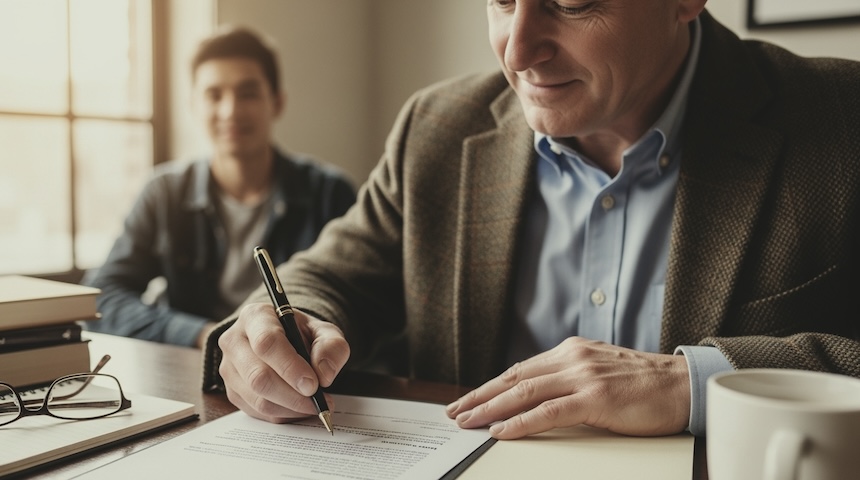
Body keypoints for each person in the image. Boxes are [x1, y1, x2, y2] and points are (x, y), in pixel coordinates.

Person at [205, 0, 860, 440]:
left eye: (571, 2)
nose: (517, 50)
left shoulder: (840, 120)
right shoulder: (437, 128)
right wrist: (277, 327)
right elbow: (331, 275)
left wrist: (692, 383)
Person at [84, 26, 356, 348]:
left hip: (299, 370)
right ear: (194, 106)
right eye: (214, 95)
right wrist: (206, 335)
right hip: (194, 369)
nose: (230, 111)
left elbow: (359, 302)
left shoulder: (329, 193)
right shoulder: (164, 194)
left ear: (277, 103)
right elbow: (103, 297)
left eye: (248, 93)